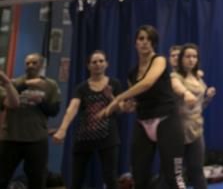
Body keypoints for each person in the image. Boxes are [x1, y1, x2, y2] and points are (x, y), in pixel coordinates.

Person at [98, 25, 186, 189]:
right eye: (141, 39)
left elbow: (147, 83)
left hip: (166, 119)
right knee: (139, 175)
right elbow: (130, 107)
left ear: (154, 43)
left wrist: (117, 98)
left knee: (173, 176)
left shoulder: (159, 60)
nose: (145, 42)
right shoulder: (132, 74)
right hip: (144, 122)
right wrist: (112, 99)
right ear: (135, 43)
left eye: (149, 39)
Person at [52, 50, 124, 189]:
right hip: (84, 137)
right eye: (94, 62)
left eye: (101, 61)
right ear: (88, 66)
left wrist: (111, 97)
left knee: (110, 178)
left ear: (107, 64)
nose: (98, 64)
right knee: (77, 179)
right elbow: (72, 108)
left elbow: (120, 109)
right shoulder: (81, 88)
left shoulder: (114, 84)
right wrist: (62, 130)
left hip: (108, 137)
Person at [0, 53, 61, 189]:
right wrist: (26, 84)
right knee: (2, 177)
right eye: (27, 63)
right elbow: (4, 103)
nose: (30, 66)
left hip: (37, 139)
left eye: (34, 63)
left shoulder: (50, 85)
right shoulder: (14, 83)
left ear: (41, 65)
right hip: (11, 137)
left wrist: (40, 102)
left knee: (37, 180)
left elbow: (54, 111)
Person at [171, 44, 215, 189]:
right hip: (177, 130)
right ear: (181, 59)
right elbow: (177, 86)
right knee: (175, 174)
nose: (191, 60)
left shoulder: (198, 79)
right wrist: (185, 93)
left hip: (196, 129)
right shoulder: (175, 76)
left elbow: (200, 106)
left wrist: (208, 97)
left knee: (197, 171)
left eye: (194, 57)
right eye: (187, 56)